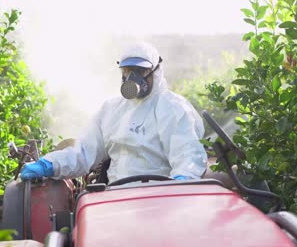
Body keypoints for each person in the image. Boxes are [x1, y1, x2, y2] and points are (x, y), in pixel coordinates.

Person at [20, 41, 208, 183]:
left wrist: (183, 183)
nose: (132, 78)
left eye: (140, 71)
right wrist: (50, 164)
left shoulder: (173, 109)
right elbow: (84, 153)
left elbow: (187, 155)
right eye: (128, 70)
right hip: (114, 199)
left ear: (155, 72)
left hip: (159, 200)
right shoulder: (111, 110)